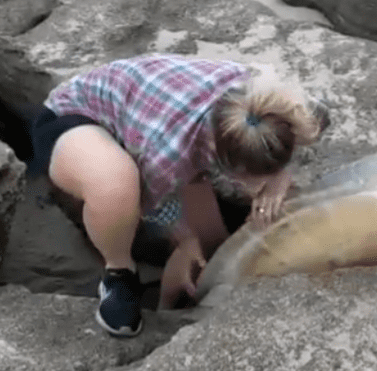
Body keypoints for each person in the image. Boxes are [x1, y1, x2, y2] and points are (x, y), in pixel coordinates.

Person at [29, 53, 330, 337]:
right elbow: (157, 208)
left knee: (213, 245)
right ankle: (119, 272)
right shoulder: (165, 153)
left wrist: (279, 178)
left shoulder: (276, 103)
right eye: (247, 178)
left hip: (157, 110)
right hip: (77, 116)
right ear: (215, 152)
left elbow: (308, 123)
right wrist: (184, 241)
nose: (253, 188)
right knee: (117, 186)